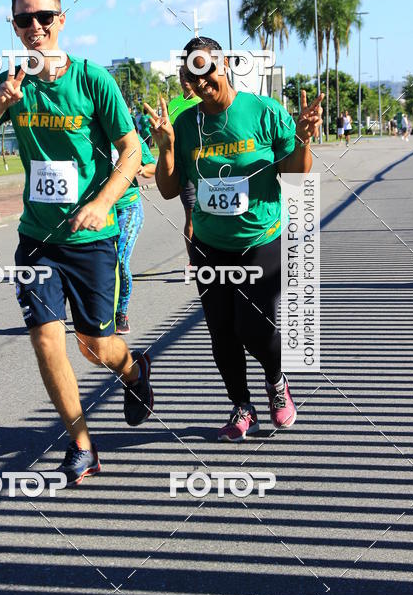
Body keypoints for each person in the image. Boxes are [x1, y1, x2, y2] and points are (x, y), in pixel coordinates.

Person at [0, 0, 153, 484]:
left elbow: (131, 152)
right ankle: (82, 444)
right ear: (15, 26)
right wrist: (1, 103)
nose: (36, 27)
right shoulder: (11, 81)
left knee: (96, 346)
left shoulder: (93, 81)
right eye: (25, 19)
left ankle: (132, 370)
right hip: (37, 240)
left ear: (61, 19)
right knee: (47, 341)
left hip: (92, 239)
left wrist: (104, 203)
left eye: (44, 16)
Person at [147, 36, 323, 442]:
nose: (201, 79)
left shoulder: (263, 111)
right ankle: (242, 405)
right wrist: (167, 147)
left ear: (222, 64)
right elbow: (170, 189)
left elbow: (296, 175)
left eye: (206, 67)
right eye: (192, 71)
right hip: (209, 245)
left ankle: (276, 383)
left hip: (260, 238)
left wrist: (303, 137)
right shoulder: (186, 123)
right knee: (222, 331)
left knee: (254, 326)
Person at [113, 135, 156, 334]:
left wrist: (140, 169)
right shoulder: (86, 133)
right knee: (98, 263)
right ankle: (99, 308)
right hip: (100, 210)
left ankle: (121, 312)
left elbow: (152, 167)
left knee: (120, 259)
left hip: (128, 207)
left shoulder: (129, 136)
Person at [168, 66, 201, 263]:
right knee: (190, 215)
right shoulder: (174, 105)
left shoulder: (203, 101)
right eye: (181, 77)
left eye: (188, 76)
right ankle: (193, 261)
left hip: (207, 166)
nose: (185, 80)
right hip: (185, 167)